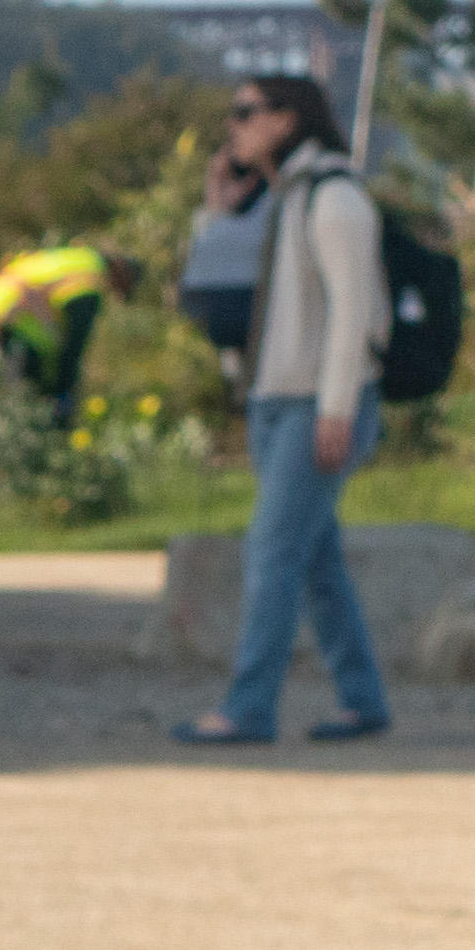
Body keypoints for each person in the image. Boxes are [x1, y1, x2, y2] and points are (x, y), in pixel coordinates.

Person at [178, 71, 392, 750]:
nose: (233, 127)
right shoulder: (277, 201)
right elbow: (207, 290)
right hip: (272, 403)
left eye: (245, 112)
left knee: (271, 551)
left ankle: (249, 708)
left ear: (287, 119)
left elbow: (353, 312)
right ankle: (363, 700)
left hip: (318, 404)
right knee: (315, 559)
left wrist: (337, 410)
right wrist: (218, 210)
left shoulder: (335, 199)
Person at [0, 241, 123, 429]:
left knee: (25, 383)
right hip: (13, 310)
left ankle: (21, 427)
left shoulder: (77, 258)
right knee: (25, 386)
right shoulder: (90, 276)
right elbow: (72, 349)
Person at [177, 147, 272, 377]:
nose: (214, 188)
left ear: (250, 182)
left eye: (222, 181)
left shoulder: (269, 215)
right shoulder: (210, 222)